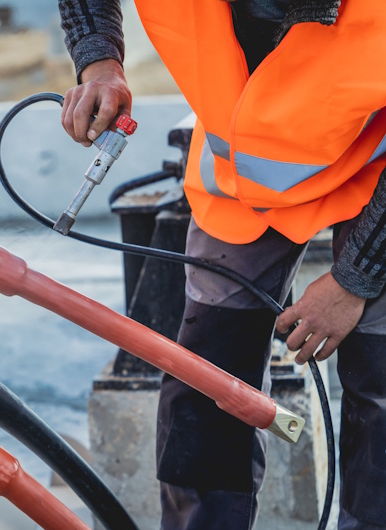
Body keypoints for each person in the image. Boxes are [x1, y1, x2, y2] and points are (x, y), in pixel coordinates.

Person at [59, 1, 386, 529]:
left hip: (378, 165)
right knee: (206, 374)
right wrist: (99, 59)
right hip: (247, 171)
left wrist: (354, 280)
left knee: (381, 373)